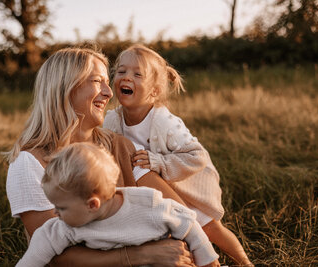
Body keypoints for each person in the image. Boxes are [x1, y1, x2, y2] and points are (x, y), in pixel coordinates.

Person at [5, 47, 200, 266]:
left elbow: (178, 213)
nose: (109, 93)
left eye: (108, 82)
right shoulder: (28, 163)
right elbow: (54, 256)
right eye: (97, 81)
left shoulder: (121, 146)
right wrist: (141, 255)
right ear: (64, 87)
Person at [103, 44, 252, 266]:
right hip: (153, 191)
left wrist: (160, 162)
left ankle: (244, 261)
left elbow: (197, 156)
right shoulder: (112, 120)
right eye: (121, 71)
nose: (126, 78)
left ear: (154, 91)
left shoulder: (163, 122)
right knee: (173, 231)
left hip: (184, 187)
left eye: (137, 74)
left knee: (209, 228)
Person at [16, 142, 220, 267]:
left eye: (61, 208)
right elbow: (37, 252)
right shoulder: (66, 227)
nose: (55, 213)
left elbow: (188, 222)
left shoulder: (147, 205)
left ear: (92, 204)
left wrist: (207, 259)